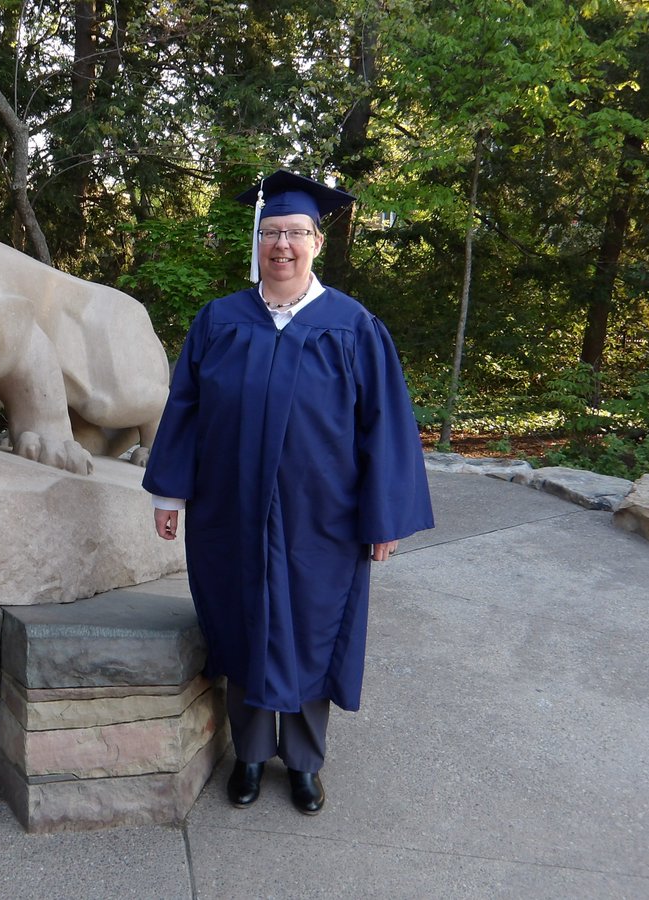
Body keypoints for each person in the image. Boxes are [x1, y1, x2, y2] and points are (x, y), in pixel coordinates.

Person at [142, 169, 434, 815]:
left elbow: (385, 428)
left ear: (316, 243)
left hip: (321, 522)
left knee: (310, 628)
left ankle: (302, 762)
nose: (282, 245)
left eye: (296, 233)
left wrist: (382, 517)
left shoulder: (354, 328)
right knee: (243, 623)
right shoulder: (219, 322)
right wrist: (169, 494)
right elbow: (185, 409)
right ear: (258, 241)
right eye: (271, 232)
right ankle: (248, 754)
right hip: (230, 512)